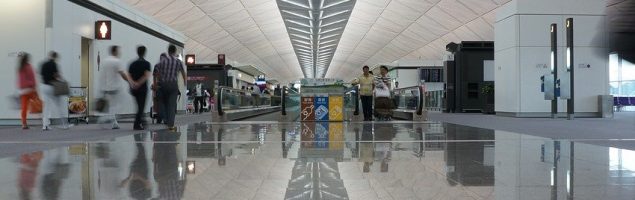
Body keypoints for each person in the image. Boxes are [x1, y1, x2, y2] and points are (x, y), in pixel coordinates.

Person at [98, 46, 133, 129]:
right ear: (115, 51)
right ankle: (106, 118)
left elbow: (102, 75)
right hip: (115, 87)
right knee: (123, 102)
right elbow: (122, 74)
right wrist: (130, 82)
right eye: (118, 51)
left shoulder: (105, 61)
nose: (119, 53)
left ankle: (113, 121)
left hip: (106, 87)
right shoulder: (117, 61)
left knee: (112, 105)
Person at [154, 45, 186, 131]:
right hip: (173, 85)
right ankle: (170, 124)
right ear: (175, 51)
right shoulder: (178, 62)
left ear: (168, 51)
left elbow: (156, 71)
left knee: (163, 103)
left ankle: (164, 118)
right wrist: (185, 82)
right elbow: (183, 73)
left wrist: (158, 80)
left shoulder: (162, 62)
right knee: (171, 105)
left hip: (164, 84)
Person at [40, 51, 72, 130]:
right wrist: (62, 80)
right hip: (52, 87)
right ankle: (65, 124)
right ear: (55, 57)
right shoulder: (53, 64)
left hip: (44, 86)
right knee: (60, 105)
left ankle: (45, 125)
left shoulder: (43, 64)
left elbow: (40, 74)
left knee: (46, 106)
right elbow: (56, 75)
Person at [128, 46, 152, 130]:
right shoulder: (147, 64)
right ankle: (137, 124)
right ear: (144, 53)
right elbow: (146, 76)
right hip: (142, 89)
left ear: (137, 52)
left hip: (134, 89)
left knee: (138, 106)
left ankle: (140, 121)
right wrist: (139, 83)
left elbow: (129, 75)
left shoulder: (132, 63)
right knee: (141, 107)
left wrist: (133, 83)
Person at [17, 53, 38, 129]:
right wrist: (34, 86)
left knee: (24, 107)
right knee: (38, 103)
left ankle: (24, 123)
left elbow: (20, 80)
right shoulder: (29, 67)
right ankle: (44, 121)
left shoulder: (20, 67)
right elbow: (33, 78)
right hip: (30, 89)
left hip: (22, 91)